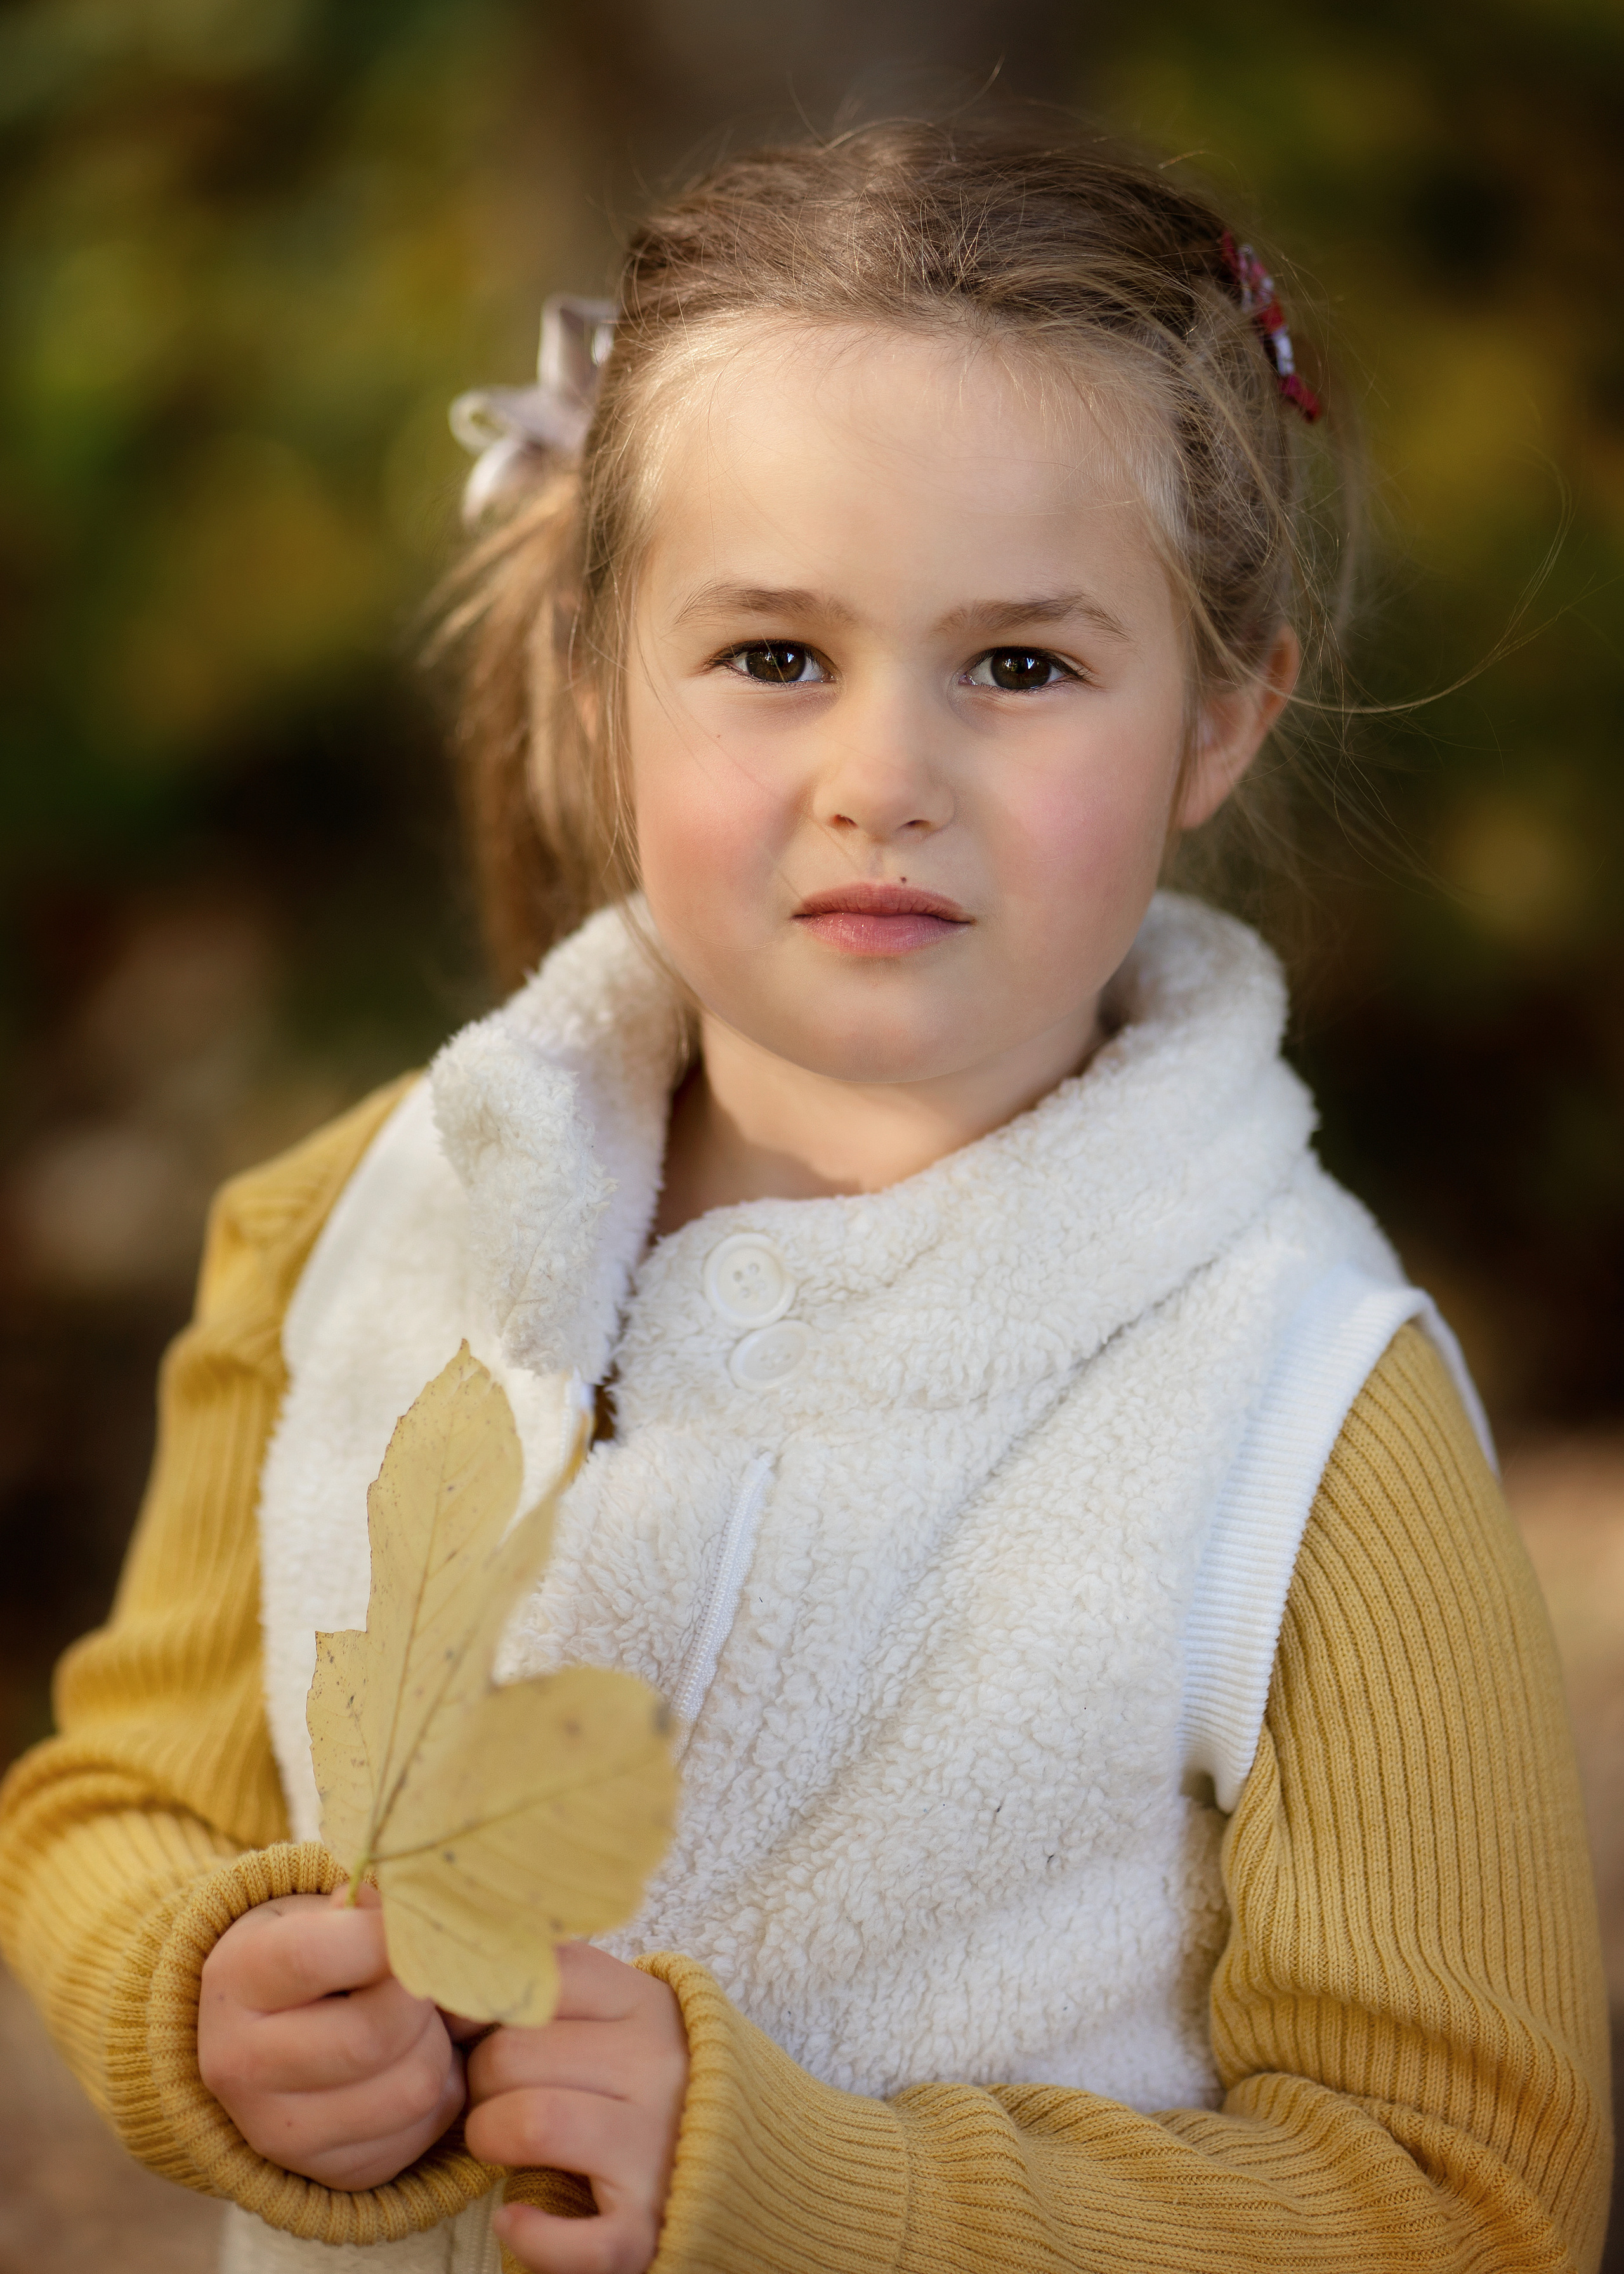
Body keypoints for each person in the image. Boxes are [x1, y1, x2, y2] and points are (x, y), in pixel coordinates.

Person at [0, 121, 1610, 2274]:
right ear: (599, 683)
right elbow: (121, 1803)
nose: (884, 775)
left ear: (1224, 716)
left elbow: (1467, 2200)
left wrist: (813, 2194)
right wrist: (192, 1987)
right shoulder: (354, 1234)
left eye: (1021, 667)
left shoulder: (1307, 1423)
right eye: (774, 657)